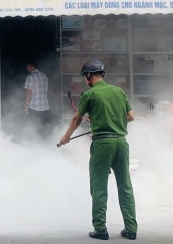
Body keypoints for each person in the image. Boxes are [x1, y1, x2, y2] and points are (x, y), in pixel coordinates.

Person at [59, 60, 137, 241]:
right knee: (125, 186)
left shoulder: (90, 94)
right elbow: (131, 116)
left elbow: (76, 119)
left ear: (89, 76)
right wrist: (112, 120)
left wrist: (66, 137)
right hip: (121, 143)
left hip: (102, 144)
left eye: (86, 76)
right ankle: (131, 229)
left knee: (99, 187)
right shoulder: (118, 91)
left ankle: (100, 229)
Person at [24, 60, 50, 135]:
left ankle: (35, 143)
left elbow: (29, 92)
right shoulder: (45, 76)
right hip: (45, 107)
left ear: (31, 66)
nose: (27, 68)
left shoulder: (30, 77)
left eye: (27, 66)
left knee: (34, 128)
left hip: (34, 107)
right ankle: (44, 143)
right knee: (44, 128)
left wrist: (26, 106)